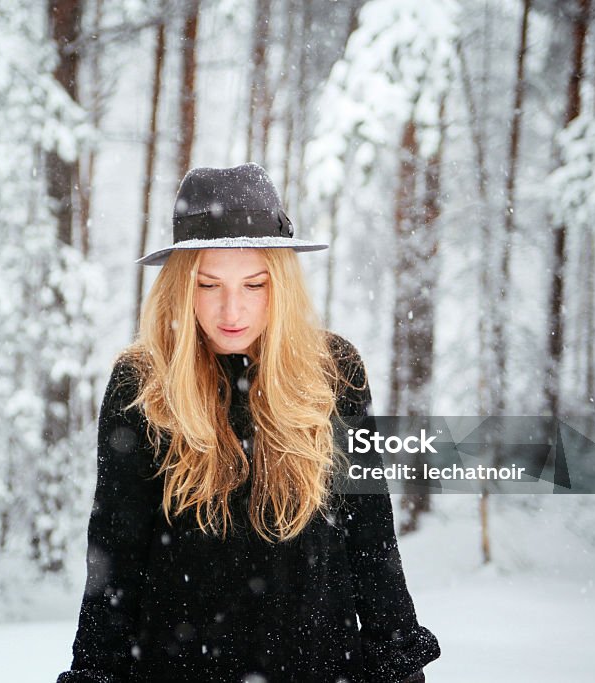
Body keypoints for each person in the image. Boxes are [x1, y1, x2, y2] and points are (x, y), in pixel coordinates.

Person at [56, 163, 439, 683]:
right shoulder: (141, 382)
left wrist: (400, 665)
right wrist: (96, 672)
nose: (230, 309)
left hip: (322, 668)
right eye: (209, 284)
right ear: (180, 287)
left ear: (278, 283)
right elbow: (115, 557)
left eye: (253, 284)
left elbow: (371, 540)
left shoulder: (335, 371)